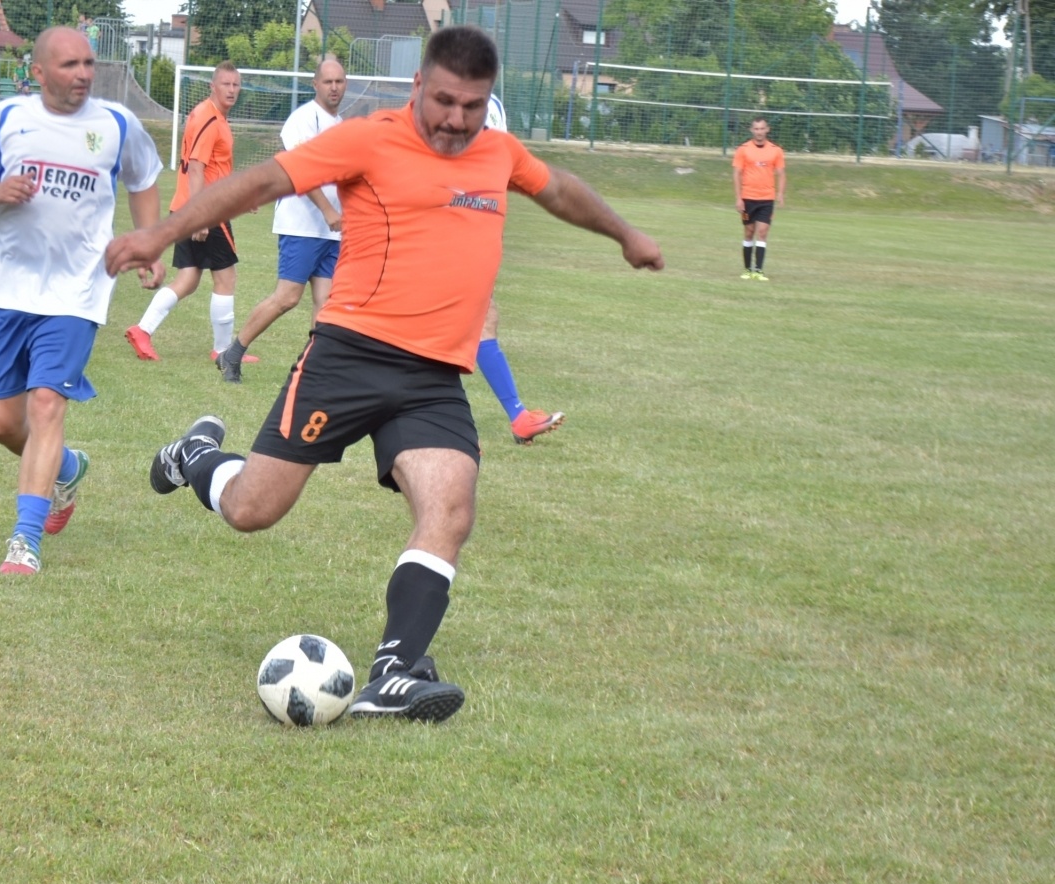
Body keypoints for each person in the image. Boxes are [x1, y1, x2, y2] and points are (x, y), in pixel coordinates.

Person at [105, 26, 662, 721]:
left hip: (432, 377)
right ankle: (196, 457)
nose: (459, 120)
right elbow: (263, 179)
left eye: (475, 105)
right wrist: (161, 233)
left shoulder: (499, 151)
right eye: (446, 101)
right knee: (253, 509)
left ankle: (394, 671)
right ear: (418, 87)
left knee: (450, 510)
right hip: (349, 357)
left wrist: (625, 235)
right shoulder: (368, 139)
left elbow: (560, 191)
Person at [0, 26, 164, 575]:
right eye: (69, 65)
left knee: (45, 405)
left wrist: (150, 241)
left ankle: (24, 541)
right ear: (38, 72)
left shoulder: (115, 124)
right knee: (0, 422)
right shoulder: (7, 119)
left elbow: (145, 176)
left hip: (77, 291)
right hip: (7, 289)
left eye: (88, 63)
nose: (83, 74)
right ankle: (66, 466)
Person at [213, 59, 347, 384]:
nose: (334, 87)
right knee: (287, 297)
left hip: (331, 231)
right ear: (315, 84)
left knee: (326, 302)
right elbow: (300, 171)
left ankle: (316, 372)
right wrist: (328, 211)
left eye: (339, 81)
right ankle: (233, 352)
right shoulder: (302, 120)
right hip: (301, 225)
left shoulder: (342, 124)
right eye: (328, 81)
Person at [124, 61, 242, 363]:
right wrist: (200, 214)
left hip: (192, 206)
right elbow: (197, 168)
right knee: (226, 279)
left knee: (188, 278)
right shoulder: (208, 117)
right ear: (212, 87)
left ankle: (142, 330)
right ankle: (224, 350)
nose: (231, 89)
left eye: (236, 84)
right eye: (225, 84)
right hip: (206, 209)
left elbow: (214, 168)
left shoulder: (214, 117)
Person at [474, 92, 564, 445]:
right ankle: (517, 416)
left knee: (480, 323)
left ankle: (518, 416)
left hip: (474, 242)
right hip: (454, 241)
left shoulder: (490, 104)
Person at [733, 116, 785, 281]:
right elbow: (737, 174)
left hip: (766, 199)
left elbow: (782, 173)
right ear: (752, 130)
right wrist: (738, 198)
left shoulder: (776, 150)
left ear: (767, 129)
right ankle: (748, 269)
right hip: (748, 198)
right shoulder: (743, 149)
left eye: (762, 128)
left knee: (762, 233)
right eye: (756, 129)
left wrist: (780, 193)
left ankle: (759, 271)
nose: (759, 132)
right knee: (749, 232)